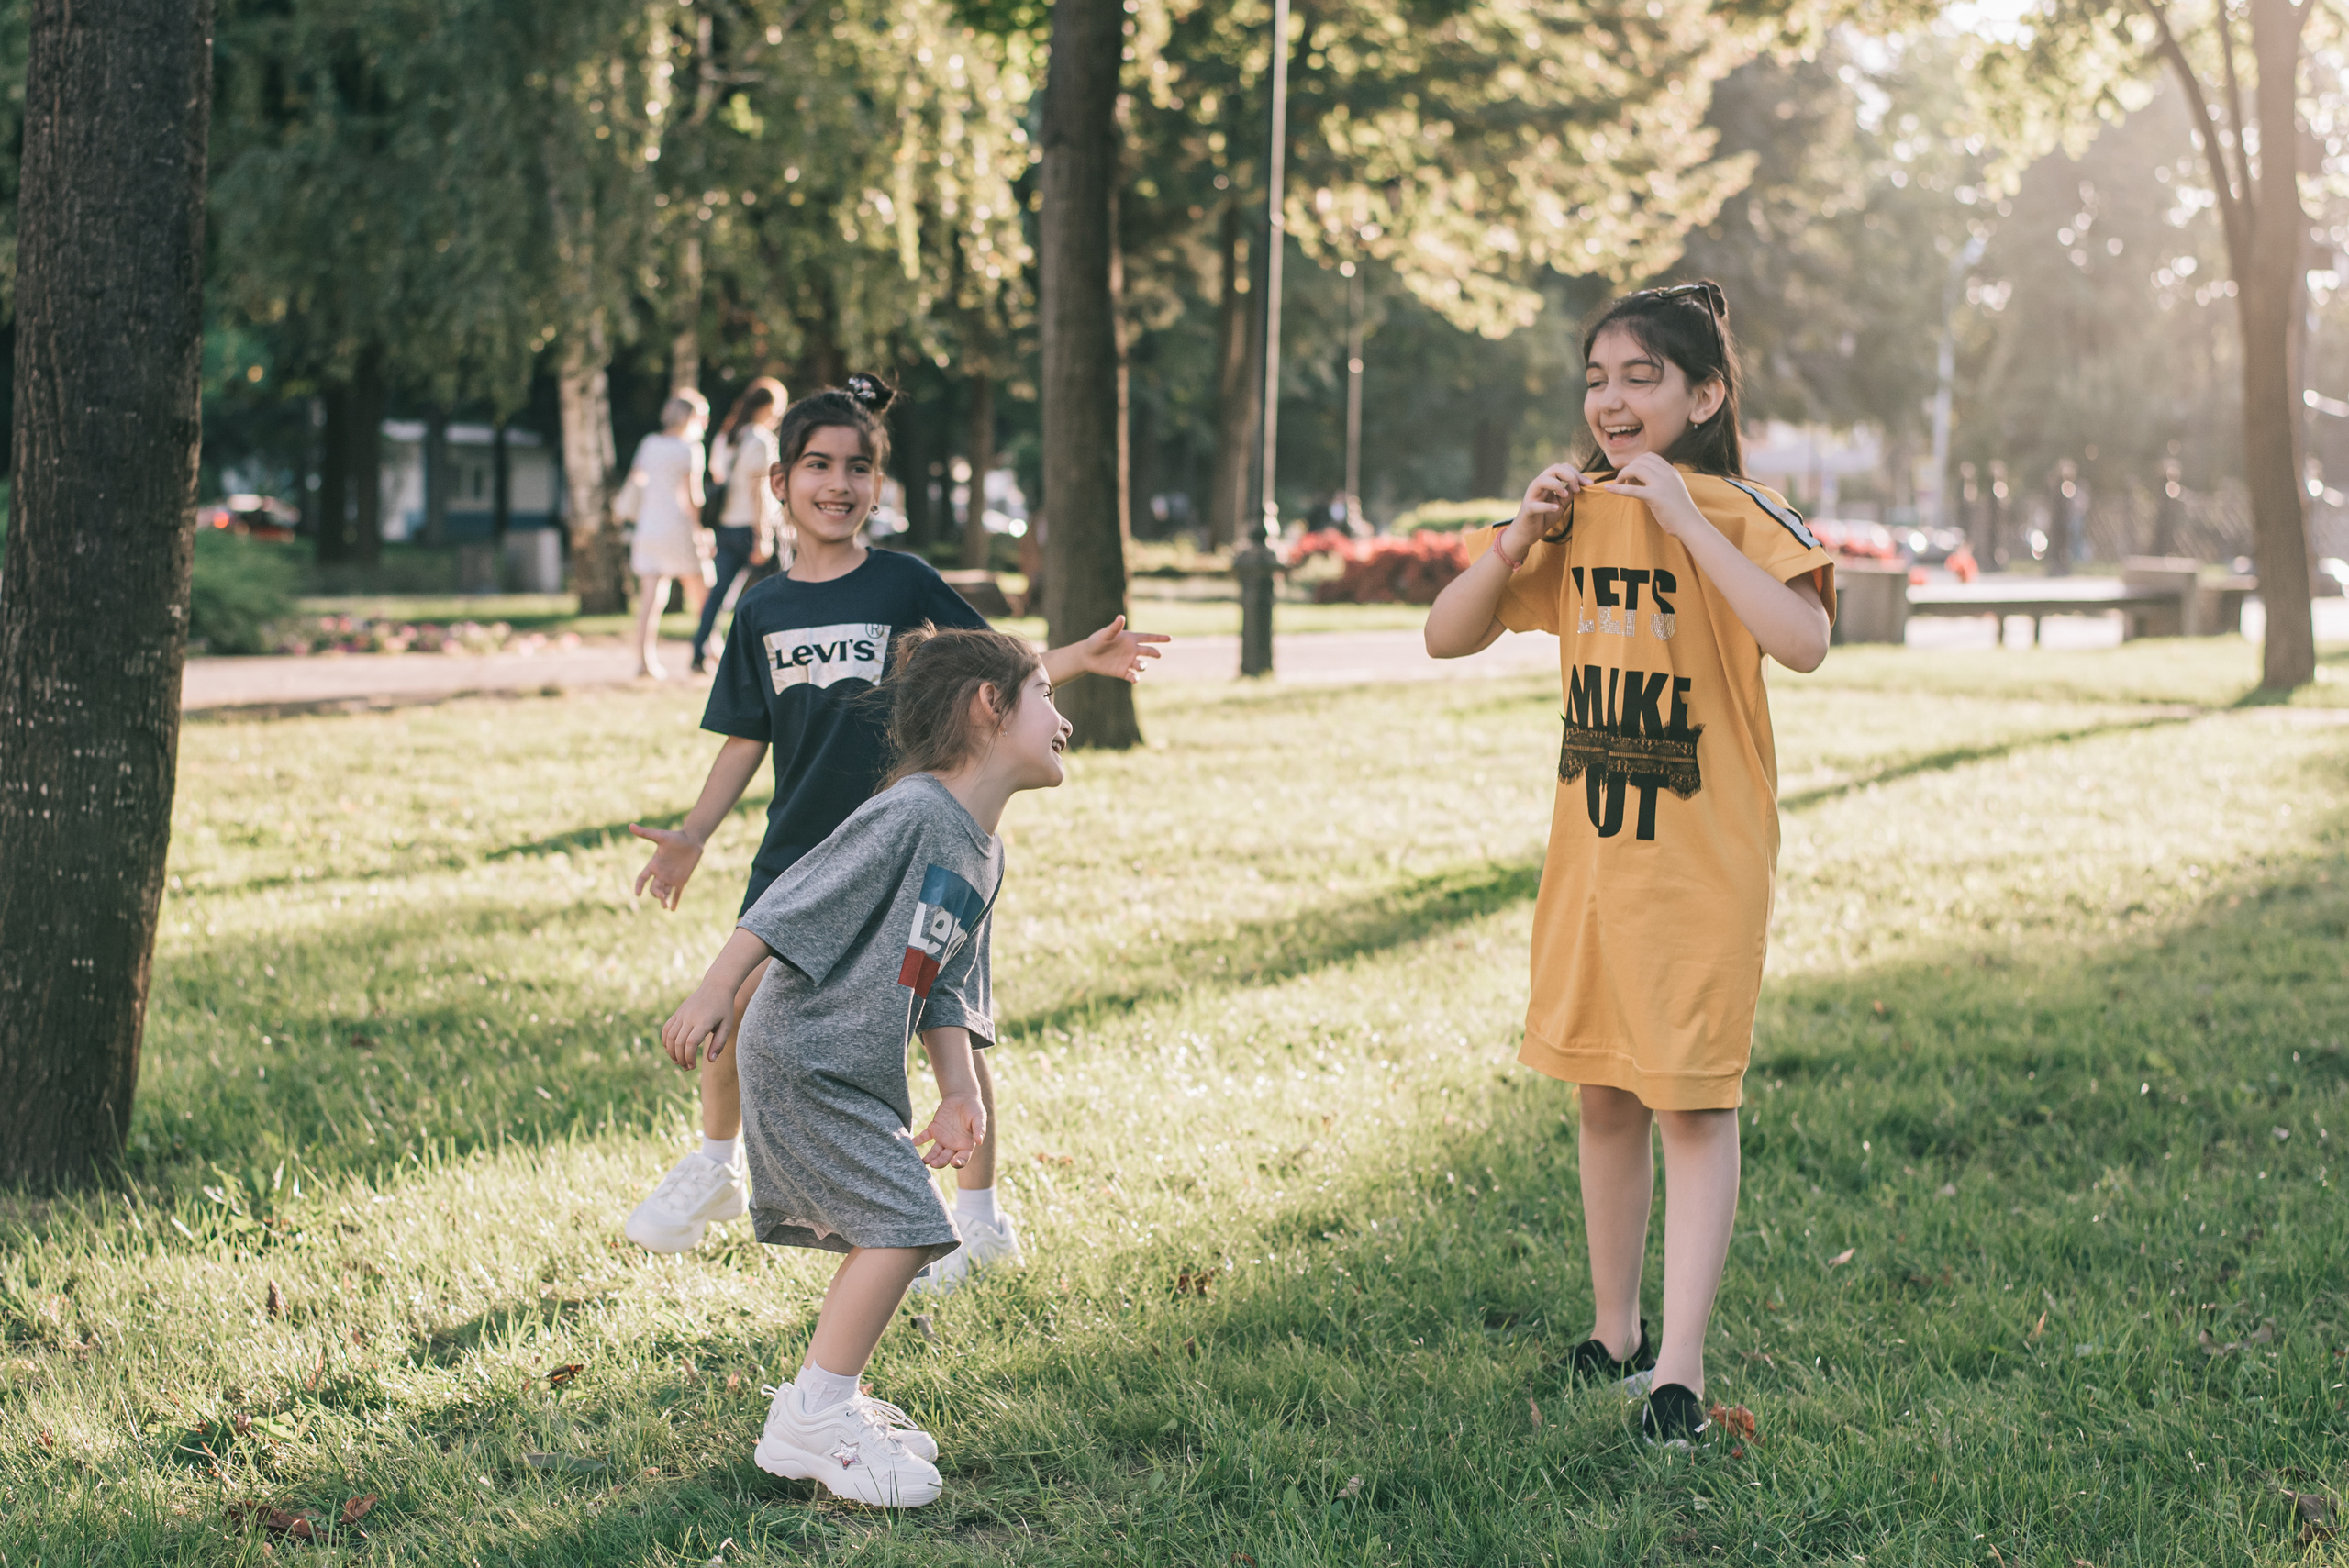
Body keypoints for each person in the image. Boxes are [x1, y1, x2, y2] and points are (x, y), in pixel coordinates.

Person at [621, 373, 1165, 1292]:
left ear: (876, 482)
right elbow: (744, 739)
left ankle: (980, 1220)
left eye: (859, 466)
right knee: (734, 1015)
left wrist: (1079, 658)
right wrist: (693, 833)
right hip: (800, 851)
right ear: (781, 481)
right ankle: (715, 1168)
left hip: (909, 847)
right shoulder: (759, 606)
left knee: (941, 1024)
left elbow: (996, 668)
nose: (839, 483)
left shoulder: (902, 580)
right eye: (819, 465)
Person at [1422, 282, 1835, 1447]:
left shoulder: (1740, 508)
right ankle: (1612, 1329)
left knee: (1689, 1103)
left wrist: (1689, 524)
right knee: (1603, 1093)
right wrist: (1520, 534)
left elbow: (1803, 642)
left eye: (1640, 376)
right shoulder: (1578, 516)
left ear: (1704, 395)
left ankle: (1679, 1368)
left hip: (1701, 866)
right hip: (1595, 860)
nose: (1612, 400)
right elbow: (1445, 631)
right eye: (1598, 377)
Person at [661, 626, 1065, 1507]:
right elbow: (786, 900)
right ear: (988, 707)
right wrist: (715, 990)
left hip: (850, 1066)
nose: (1063, 717)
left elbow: (948, 980)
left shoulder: (981, 846)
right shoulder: (912, 811)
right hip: (805, 1052)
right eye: (1046, 695)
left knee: (903, 1224)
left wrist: (959, 1089)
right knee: (907, 1224)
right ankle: (813, 1419)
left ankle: (823, 1405)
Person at [695, 377, 788, 674]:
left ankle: (699, 651)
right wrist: (763, 535)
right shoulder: (761, 440)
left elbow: (718, 476)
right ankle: (760, 656)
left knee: (720, 596)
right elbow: (759, 491)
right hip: (751, 528)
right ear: (767, 407)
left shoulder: (728, 437)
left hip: (726, 525)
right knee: (775, 594)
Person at [625, 390, 714, 680]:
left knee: (651, 600)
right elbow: (693, 498)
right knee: (703, 594)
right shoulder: (690, 449)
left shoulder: (649, 443)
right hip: (677, 528)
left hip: (649, 527)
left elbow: (637, 481)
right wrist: (701, 531)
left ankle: (644, 660)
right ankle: (712, 650)